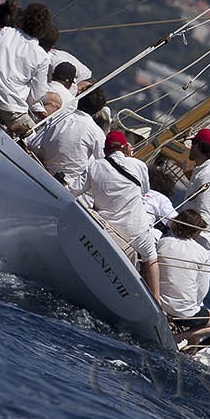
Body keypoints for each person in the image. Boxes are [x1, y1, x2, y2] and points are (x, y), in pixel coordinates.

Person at [80, 129, 160, 306]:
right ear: (126, 148)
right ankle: (157, 302)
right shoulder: (139, 165)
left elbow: (75, 190)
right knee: (151, 256)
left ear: (106, 149)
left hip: (108, 227)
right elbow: (145, 191)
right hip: (136, 231)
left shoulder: (95, 166)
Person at [0, 2, 54, 133]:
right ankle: (16, 130)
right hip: (13, 109)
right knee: (35, 136)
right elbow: (38, 93)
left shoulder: (5, 32)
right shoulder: (42, 56)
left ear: (23, 18)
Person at [157, 208, 210, 348]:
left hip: (158, 303)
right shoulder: (202, 253)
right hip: (184, 313)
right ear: (196, 231)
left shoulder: (162, 242)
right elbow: (201, 290)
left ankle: (182, 338)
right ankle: (177, 338)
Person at [26, 87, 107, 190]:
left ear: (79, 99)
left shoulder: (60, 116)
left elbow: (34, 144)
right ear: (98, 110)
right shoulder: (97, 133)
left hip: (40, 170)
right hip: (67, 187)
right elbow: (102, 165)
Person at [180, 128, 210, 255]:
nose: (191, 146)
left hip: (200, 244)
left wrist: (182, 239)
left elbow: (203, 216)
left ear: (199, 146)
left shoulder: (208, 175)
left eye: (193, 142)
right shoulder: (203, 171)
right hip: (196, 241)